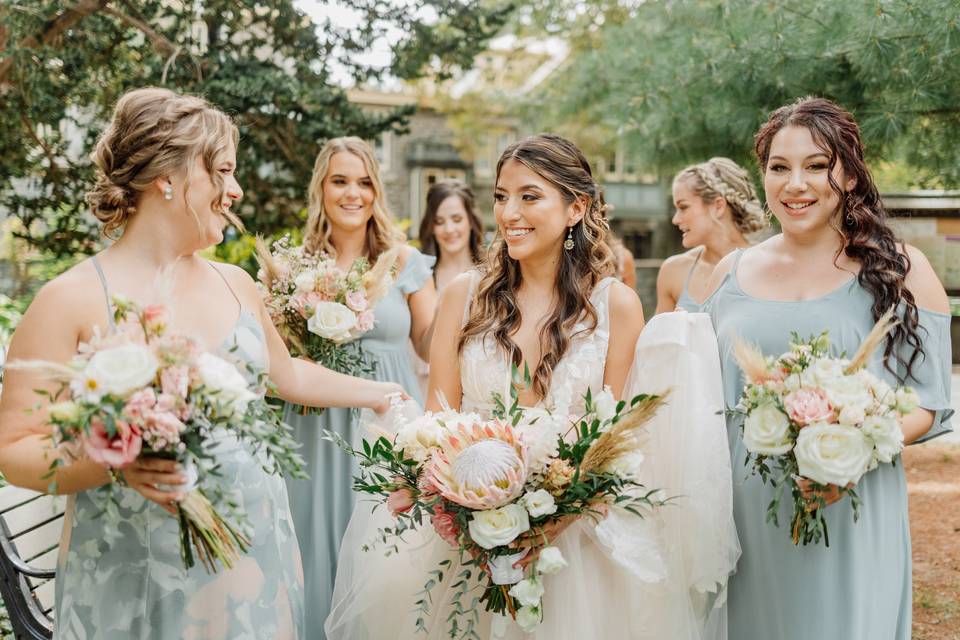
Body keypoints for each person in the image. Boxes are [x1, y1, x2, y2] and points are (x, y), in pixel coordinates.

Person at [0, 87, 406, 639]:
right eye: (221, 171)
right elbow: (17, 449)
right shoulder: (69, 299)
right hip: (139, 572)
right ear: (166, 175)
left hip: (254, 561)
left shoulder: (235, 283)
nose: (235, 191)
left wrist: (379, 393)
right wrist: (114, 462)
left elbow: (286, 377)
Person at [326, 134, 738, 639]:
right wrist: (469, 507)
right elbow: (438, 418)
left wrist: (548, 523)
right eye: (501, 196)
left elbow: (616, 441)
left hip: (578, 551)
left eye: (529, 196)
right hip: (469, 543)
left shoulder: (616, 306)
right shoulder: (463, 297)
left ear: (575, 208)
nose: (509, 213)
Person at [703, 97, 953, 640]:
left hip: (851, 506)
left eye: (817, 166)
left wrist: (852, 448)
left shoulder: (900, 270)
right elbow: (691, 395)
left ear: (850, 173)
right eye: (779, 167)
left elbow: (930, 401)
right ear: (762, 176)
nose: (796, 184)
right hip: (740, 518)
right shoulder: (728, 273)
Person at [282, 136, 437, 637]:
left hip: (388, 427)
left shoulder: (404, 262)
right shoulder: (296, 268)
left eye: (364, 182)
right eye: (340, 181)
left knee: (388, 550)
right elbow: (282, 356)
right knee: (314, 540)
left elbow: (432, 343)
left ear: (377, 191)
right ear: (321, 189)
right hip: (315, 426)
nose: (353, 193)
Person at [656, 157, 765, 313]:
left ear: (718, 206)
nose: (675, 219)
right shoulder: (673, 271)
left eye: (683, 207)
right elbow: (657, 337)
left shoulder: (765, 267)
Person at [413, 179, 485, 394]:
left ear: (470, 221)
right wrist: (443, 304)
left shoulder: (490, 274)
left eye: (456, 219)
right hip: (431, 389)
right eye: (440, 221)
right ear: (431, 226)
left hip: (478, 387)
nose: (449, 229)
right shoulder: (422, 277)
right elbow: (424, 353)